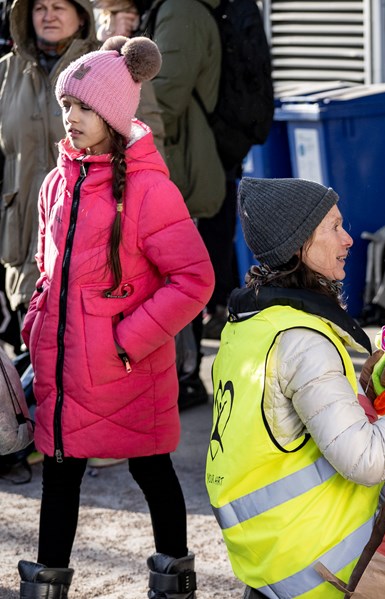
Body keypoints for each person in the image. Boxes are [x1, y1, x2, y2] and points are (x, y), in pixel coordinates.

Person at [15, 36, 213, 597]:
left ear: (115, 116)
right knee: (59, 471)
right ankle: (46, 582)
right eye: (67, 106)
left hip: (128, 367)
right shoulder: (57, 182)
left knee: (151, 467)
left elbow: (195, 279)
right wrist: (35, 320)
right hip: (64, 362)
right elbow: (46, 266)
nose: (71, 118)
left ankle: (174, 573)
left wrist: (131, 338)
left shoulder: (151, 190)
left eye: (83, 108)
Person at [206, 177, 385, 599]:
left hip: (271, 557)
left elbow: (284, 432)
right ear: (298, 245)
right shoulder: (303, 339)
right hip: (319, 564)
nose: (348, 239)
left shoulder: (251, 327)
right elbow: (365, 459)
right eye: (333, 227)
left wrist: (364, 394)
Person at [0, 0, 163, 349]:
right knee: (35, 360)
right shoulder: (7, 72)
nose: (48, 15)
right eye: (39, 7)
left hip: (98, 238)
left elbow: (147, 138)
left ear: (81, 14)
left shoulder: (110, 68)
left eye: (59, 5)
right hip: (25, 235)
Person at [136, 0, 225, 408]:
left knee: (174, 274)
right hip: (175, 161)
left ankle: (184, 376)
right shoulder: (173, 7)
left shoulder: (182, 10)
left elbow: (164, 97)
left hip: (179, 164)